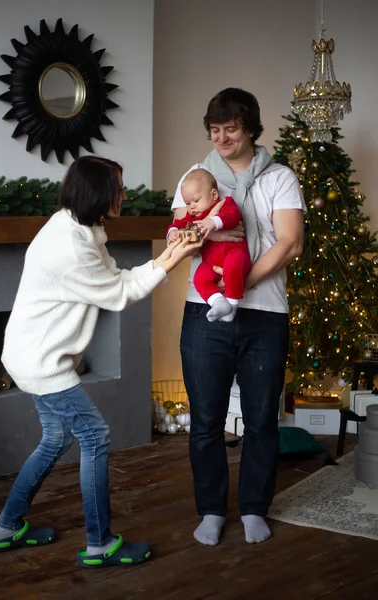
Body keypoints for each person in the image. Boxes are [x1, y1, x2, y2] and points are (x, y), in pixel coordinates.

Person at [0, 155, 201, 568]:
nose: (122, 194)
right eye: (117, 187)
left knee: (55, 439)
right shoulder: (69, 247)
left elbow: (117, 279)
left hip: (30, 354)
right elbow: (119, 295)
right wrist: (175, 257)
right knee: (95, 437)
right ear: (98, 192)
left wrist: (171, 254)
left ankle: (5, 528)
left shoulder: (81, 228)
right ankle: (100, 544)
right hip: (42, 362)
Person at [172, 88, 306, 546]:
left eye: (231, 128)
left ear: (249, 127)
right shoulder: (194, 178)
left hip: (264, 313)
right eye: (214, 129)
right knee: (206, 420)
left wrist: (237, 286)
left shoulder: (280, 178)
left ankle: (253, 508)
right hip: (204, 312)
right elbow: (182, 236)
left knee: (261, 419)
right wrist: (206, 239)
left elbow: (289, 243)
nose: (222, 137)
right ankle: (210, 510)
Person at [167, 168, 251, 322]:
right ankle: (218, 302)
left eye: (196, 201)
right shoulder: (192, 216)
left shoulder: (226, 203)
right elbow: (180, 224)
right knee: (199, 278)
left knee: (234, 266)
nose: (191, 207)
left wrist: (211, 222)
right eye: (187, 203)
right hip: (211, 263)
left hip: (233, 253)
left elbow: (232, 217)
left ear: (213, 195)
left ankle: (232, 305)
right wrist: (172, 231)